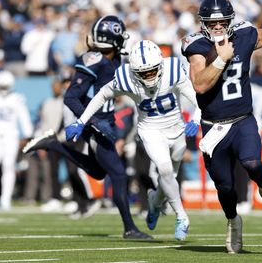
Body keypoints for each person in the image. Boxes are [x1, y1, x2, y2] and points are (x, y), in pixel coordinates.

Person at [180, 0, 262, 254]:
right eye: (212, 23)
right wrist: (220, 59)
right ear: (203, 24)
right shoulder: (195, 46)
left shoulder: (245, 35)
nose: (218, 27)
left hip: (243, 119)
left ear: (230, 21)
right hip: (214, 127)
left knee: (252, 162)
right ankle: (233, 221)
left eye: (222, 22)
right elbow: (200, 84)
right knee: (225, 187)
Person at [23, 15, 152, 240]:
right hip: (96, 123)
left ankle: (54, 144)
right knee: (119, 175)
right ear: (112, 39)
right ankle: (129, 228)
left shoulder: (113, 59)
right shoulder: (95, 59)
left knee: (99, 171)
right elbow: (71, 98)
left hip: (106, 121)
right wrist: (91, 121)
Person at [65, 40, 201, 241]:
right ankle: (182, 216)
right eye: (143, 72)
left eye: (152, 71)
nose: (148, 76)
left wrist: (196, 120)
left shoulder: (173, 70)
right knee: (164, 169)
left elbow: (198, 99)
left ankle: (154, 202)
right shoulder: (125, 77)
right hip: (150, 129)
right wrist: (81, 121)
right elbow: (102, 95)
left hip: (176, 128)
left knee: (169, 174)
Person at [0, 70, 33, 211]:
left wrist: (28, 134)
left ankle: (5, 199)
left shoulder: (17, 98)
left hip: (11, 137)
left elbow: (24, 117)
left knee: (9, 167)